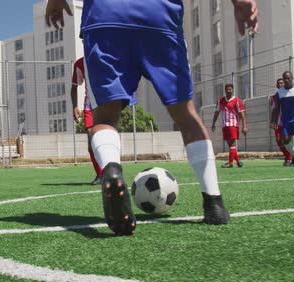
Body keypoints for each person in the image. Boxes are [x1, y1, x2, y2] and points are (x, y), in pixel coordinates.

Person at [45, 0, 259, 234]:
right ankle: (214, 202)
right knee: (186, 116)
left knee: (105, 118)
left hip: (105, 16)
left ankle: (111, 168)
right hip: (159, 16)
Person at [71, 57, 102, 185]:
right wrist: (75, 106)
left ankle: (112, 172)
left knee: (107, 138)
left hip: (107, 102)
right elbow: (73, 86)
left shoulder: (105, 55)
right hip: (90, 105)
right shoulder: (80, 63)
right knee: (91, 143)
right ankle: (100, 174)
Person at [211, 83, 248, 168]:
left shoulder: (237, 101)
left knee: (231, 144)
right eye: (227, 89)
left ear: (232, 90)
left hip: (233, 125)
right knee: (231, 145)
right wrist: (213, 122)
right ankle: (238, 161)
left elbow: (242, 114)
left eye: (230, 89)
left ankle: (230, 163)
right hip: (225, 125)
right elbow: (217, 112)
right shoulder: (220, 100)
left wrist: (244, 126)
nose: (228, 91)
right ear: (225, 90)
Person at [270, 78, 293, 166]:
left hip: (287, 122)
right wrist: (272, 121)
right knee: (278, 140)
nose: (280, 84)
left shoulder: (290, 94)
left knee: (287, 140)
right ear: (276, 85)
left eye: (281, 83)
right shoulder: (274, 97)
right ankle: (288, 156)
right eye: (278, 83)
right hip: (278, 122)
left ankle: (290, 158)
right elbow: (273, 110)